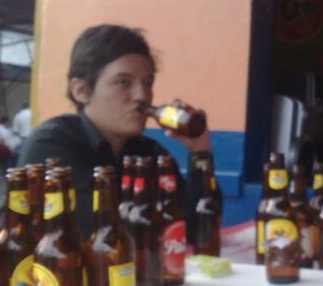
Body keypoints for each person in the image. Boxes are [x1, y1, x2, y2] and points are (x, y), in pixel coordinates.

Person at [18, 24, 222, 240]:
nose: (142, 95)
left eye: (148, 83)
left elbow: (200, 228)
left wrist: (200, 152)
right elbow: (101, 234)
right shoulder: (51, 145)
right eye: (123, 83)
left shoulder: (149, 153)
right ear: (81, 91)